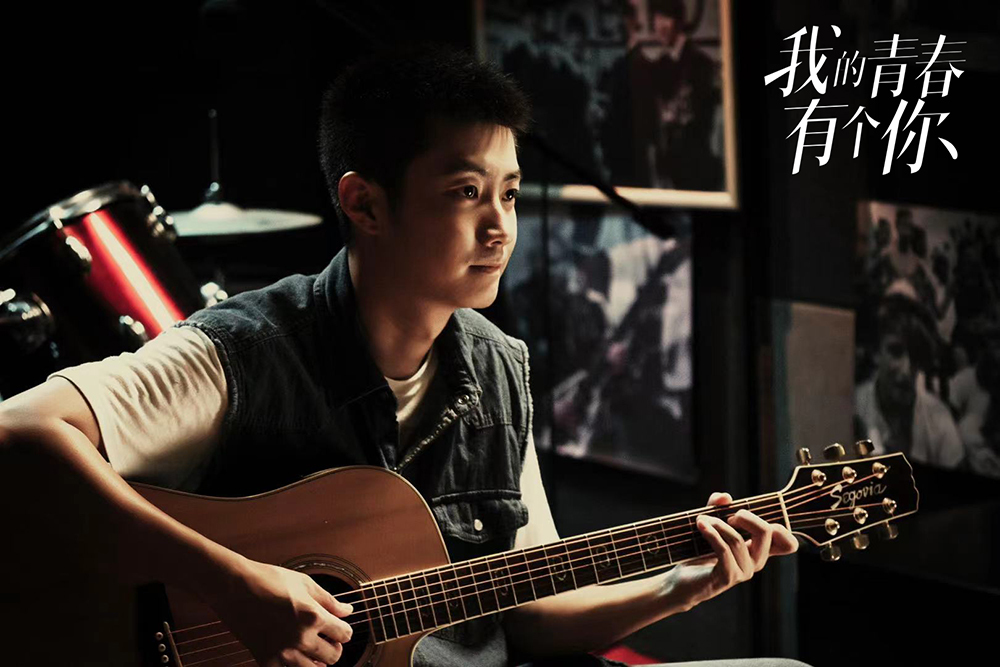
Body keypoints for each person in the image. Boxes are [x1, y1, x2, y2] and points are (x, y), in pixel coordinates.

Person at [0, 44, 802, 667]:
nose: (501, 227)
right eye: (465, 192)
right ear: (365, 203)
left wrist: (679, 585)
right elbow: (18, 430)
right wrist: (230, 580)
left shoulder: (499, 371)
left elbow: (524, 613)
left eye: (509, 192)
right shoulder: (245, 351)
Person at [855, 291, 964, 468]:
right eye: (895, 351)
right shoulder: (854, 407)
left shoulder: (938, 419)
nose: (906, 370)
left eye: (915, 355)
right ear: (876, 352)